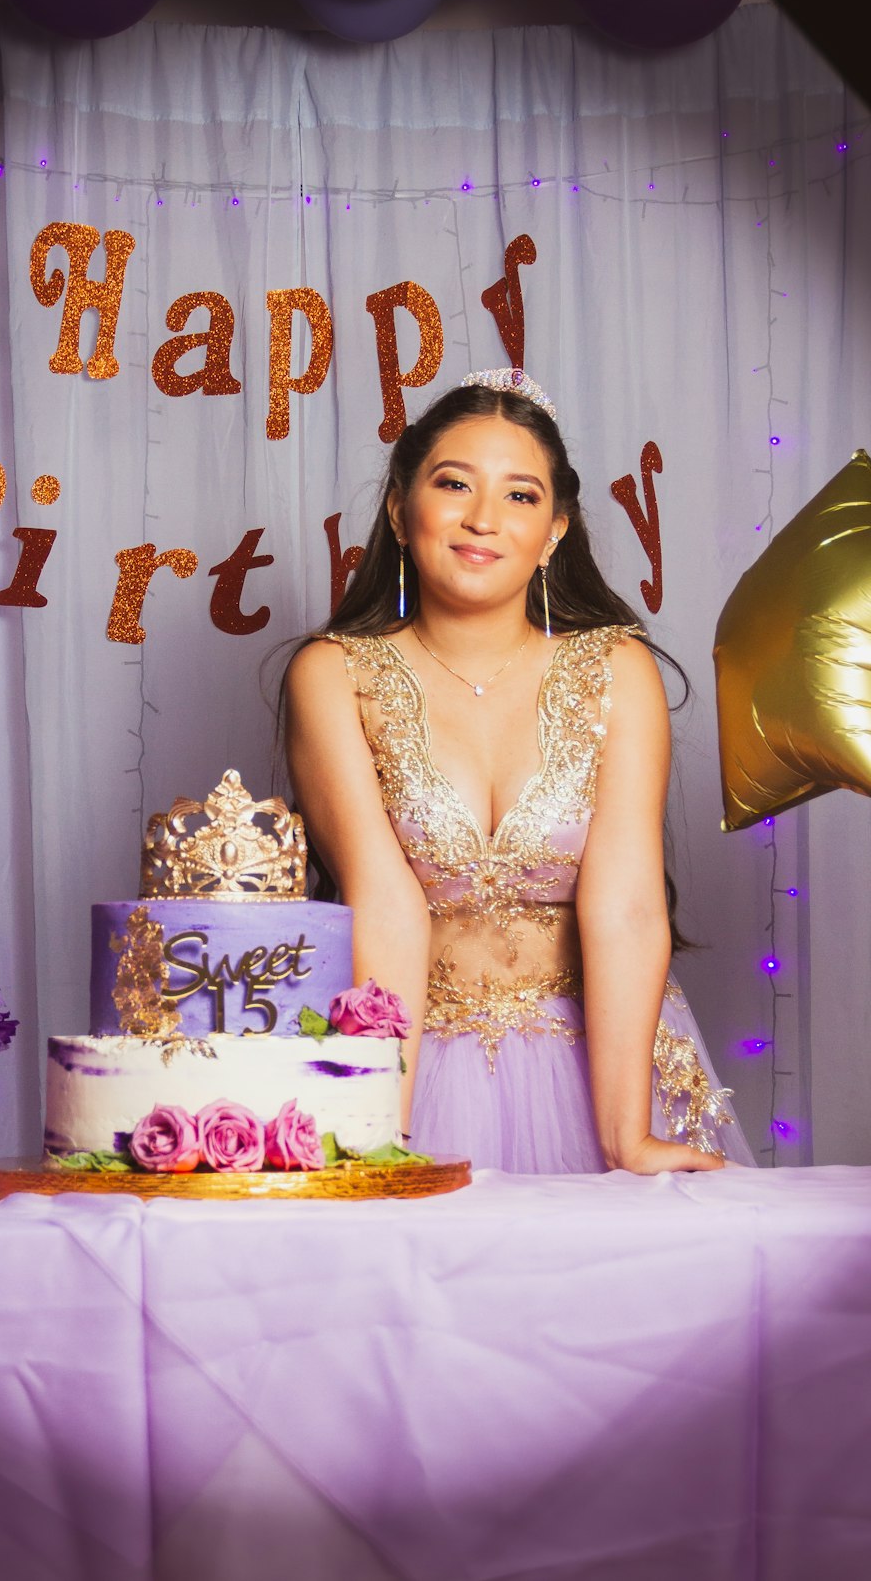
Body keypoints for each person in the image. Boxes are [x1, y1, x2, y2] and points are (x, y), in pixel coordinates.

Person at [284, 370, 755, 1176]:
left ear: (557, 529)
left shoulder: (616, 668)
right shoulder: (334, 674)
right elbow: (382, 905)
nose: (482, 520)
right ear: (401, 509)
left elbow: (629, 903)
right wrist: (380, 1137)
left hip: (605, 1061)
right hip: (410, 1056)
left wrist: (625, 1136)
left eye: (521, 496)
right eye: (454, 483)